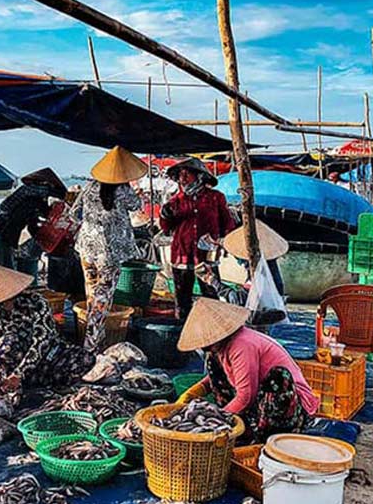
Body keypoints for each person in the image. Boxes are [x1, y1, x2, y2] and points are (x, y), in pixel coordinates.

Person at [175, 298, 318, 443]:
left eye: (207, 344)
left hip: (288, 405)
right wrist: (197, 390)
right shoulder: (222, 347)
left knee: (278, 376)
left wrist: (217, 419)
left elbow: (246, 396)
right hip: (258, 399)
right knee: (212, 362)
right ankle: (242, 423)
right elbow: (219, 375)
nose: (206, 348)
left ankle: (260, 434)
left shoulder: (242, 344)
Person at [0, 264, 95, 402]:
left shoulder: (37, 303)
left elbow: (43, 341)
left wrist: (19, 374)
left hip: (47, 357)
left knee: (86, 358)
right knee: (7, 345)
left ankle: (39, 383)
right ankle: (16, 384)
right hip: (14, 363)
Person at [73, 146, 145, 352]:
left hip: (86, 249)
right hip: (108, 254)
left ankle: (91, 337)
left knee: (92, 294)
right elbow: (136, 205)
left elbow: (74, 212)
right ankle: (92, 345)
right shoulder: (122, 190)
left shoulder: (88, 187)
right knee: (102, 299)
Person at [160, 158, 235, 320]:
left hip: (206, 256)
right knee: (182, 300)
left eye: (187, 174)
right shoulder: (175, 201)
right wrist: (164, 216)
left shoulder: (216, 198)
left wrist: (228, 243)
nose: (183, 178)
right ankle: (182, 332)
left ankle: (215, 332)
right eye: (180, 175)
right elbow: (166, 228)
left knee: (211, 295)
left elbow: (227, 223)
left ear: (200, 176)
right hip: (182, 253)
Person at [0, 168, 67, 270]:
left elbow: (34, 225)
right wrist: (64, 193)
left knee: (8, 272)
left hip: (5, 238)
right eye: (48, 185)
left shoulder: (35, 203)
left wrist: (46, 237)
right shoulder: (26, 190)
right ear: (42, 183)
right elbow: (54, 192)